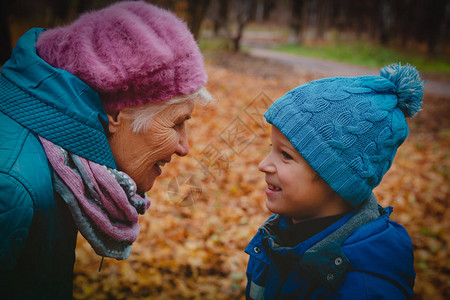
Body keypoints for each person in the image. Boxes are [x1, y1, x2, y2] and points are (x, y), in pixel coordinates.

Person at [0, 1, 212, 299]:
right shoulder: (11, 186)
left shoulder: (62, 161)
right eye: (177, 123)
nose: (184, 148)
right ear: (116, 115)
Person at [245, 63, 422, 299]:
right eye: (272, 149)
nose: (263, 165)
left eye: (285, 155)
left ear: (336, 179)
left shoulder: (363, 288)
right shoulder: (274, 241)